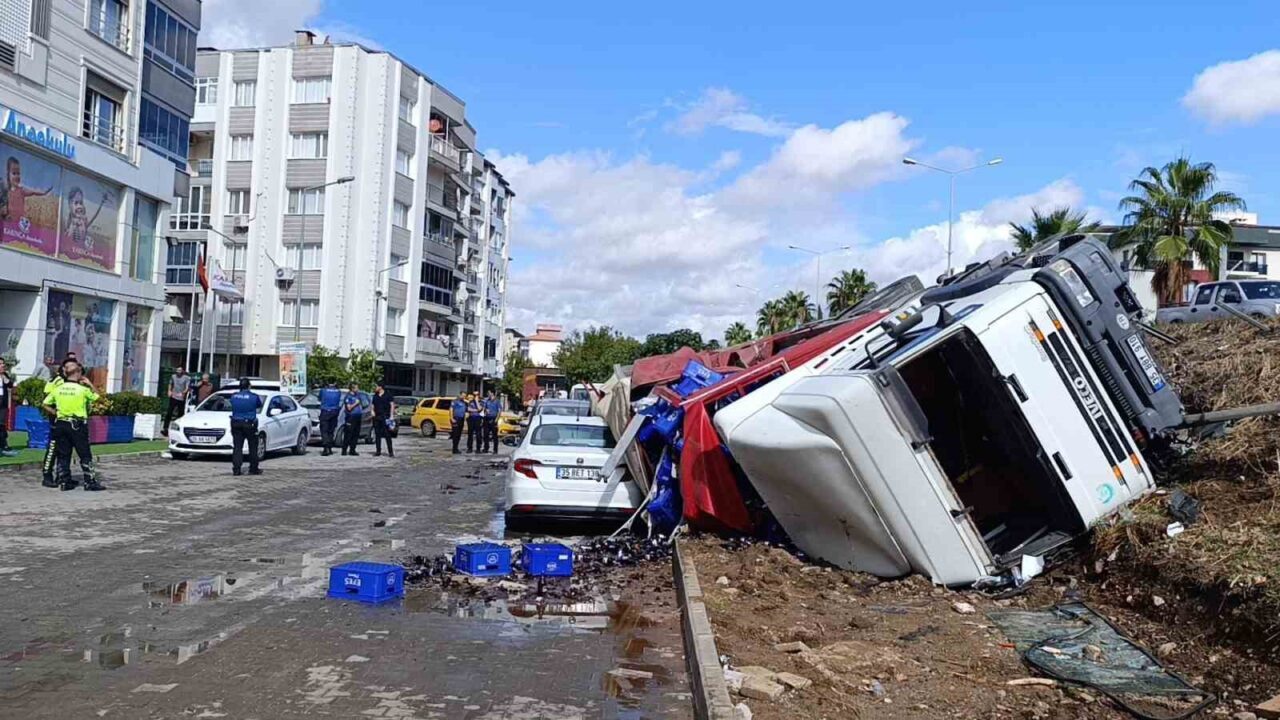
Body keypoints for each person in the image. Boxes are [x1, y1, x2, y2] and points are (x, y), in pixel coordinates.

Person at [43, 361, 102, 491]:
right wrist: (90, 383)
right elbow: (98, 397)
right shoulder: (82, 389)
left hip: (61, 423)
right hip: (77, 424)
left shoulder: (58, 389)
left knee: (64, 454)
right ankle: (90, 481)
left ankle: (64, 481)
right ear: (78, 373)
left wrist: (56, 412)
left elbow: (45, 403)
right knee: (85, 454)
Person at [39, 360, 69, 487]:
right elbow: (47, 399)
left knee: (65, 448)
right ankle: (47, 475)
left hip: (66, 420)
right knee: (53, 447)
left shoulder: (67, 381)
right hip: (57, 419)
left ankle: (62, 476)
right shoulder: (57, 381)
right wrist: (55, 412)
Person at [228, 378, 263, 476]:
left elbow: (231, 403)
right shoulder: (253, 397)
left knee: (237, 447)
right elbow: (259, 405)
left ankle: (236, 469)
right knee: (253, 447)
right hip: (249, 424)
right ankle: (253, 468)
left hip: (236, 423)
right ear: (249, 386)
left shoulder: (234, 396)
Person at [370, 383, 396, 458]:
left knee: (387, 435)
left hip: (386, 417)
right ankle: (378, 451)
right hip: (377, 417)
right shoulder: (375, 396)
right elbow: (373, 405)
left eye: (376, 386)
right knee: (377, 434)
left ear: (380, 387)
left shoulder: (388, 395)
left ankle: (390, 452)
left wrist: (391, 416)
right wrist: (372, 411)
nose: (375, 388)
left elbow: (392, 405)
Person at [317, 380, 342, 456]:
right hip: (335, 412)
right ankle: (330, 448)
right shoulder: (338, 391)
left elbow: (319, 399)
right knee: (331, 431)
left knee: (324, 430)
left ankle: (325, 448)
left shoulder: (323, 391)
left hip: (325, 411)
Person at [164, 367, 190, 433]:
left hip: (181, 397)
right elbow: (170, 384)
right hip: (173, 396)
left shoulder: (186, 378)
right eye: (177, 370)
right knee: (169, 412)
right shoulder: (173, 376)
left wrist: (183, 393)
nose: (178, 371)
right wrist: (169, 391)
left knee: (180, 413)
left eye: (180, 370)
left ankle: (179, 428)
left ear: (182, 371)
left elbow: (187, 387)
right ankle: (165, 428)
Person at [341, 384, 363, 456]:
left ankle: (352, 450)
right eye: (356, 388)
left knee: (356, 434)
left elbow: (361, 404)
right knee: (348, 434)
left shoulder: (358, 395)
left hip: (358, 416)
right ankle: (344, 450)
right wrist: (355, 403)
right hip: (351, 417)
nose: (358, 389)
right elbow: (349, 408)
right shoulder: (348, 397)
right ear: (352, 389)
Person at [0, 359, 13, 457]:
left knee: (1, 424)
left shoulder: (4, 376)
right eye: (0, 364)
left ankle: (4, 444)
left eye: (3, 364)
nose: (2, 366)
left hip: (2, 402)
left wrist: (4, 377)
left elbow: (10, 385)